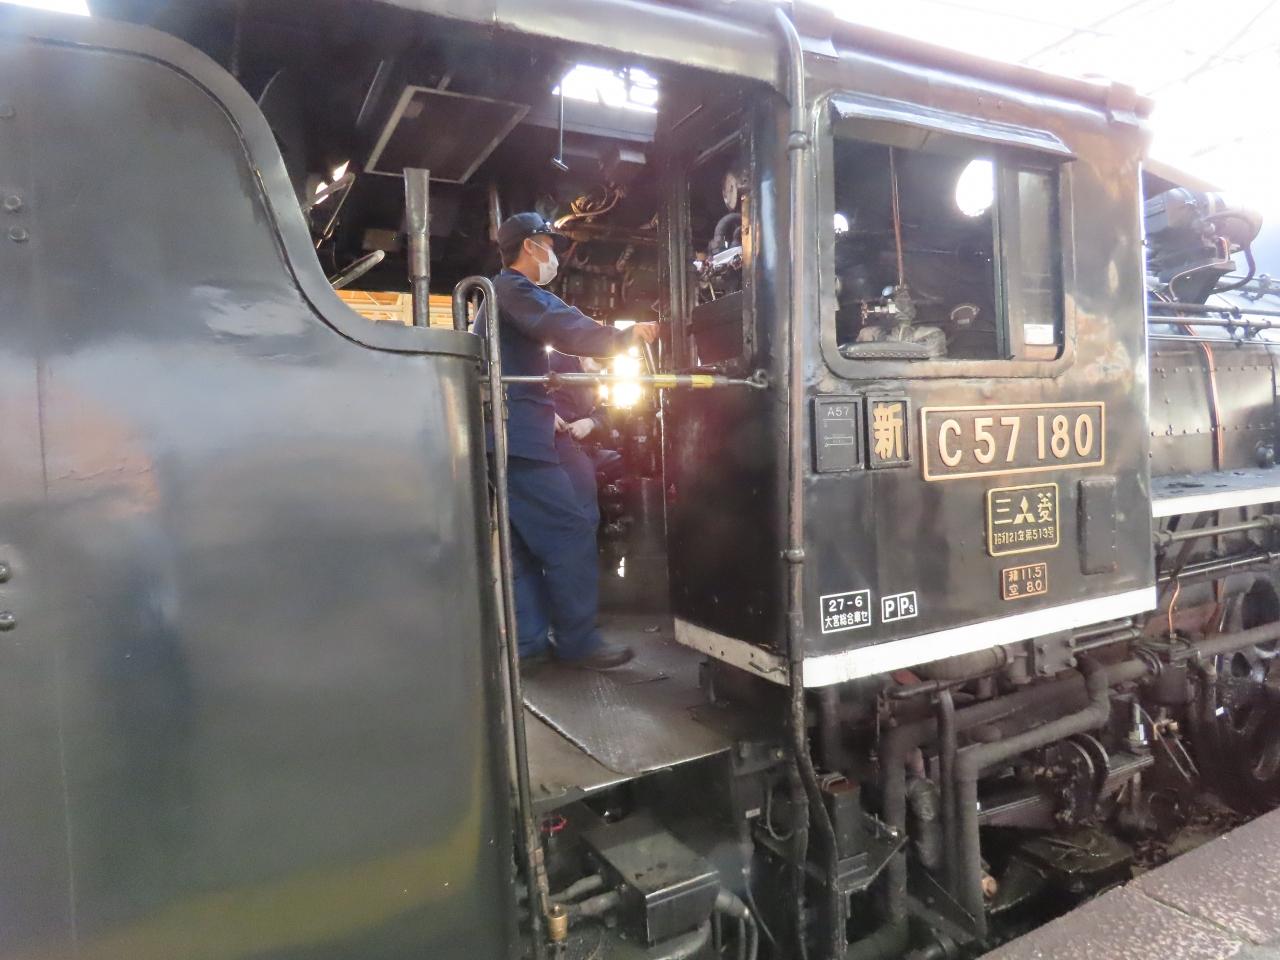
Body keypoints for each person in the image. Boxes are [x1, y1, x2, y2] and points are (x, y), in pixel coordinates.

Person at [477, 213, 658, 670]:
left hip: (511, 432)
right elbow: (561, 324)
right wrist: (622, 336)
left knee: (522, 546)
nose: (554, 254)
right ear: (530, 245)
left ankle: (530, 645)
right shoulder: (512, 289)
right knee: (570, 532)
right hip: (520, 436)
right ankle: (578, 642)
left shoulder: (502, 296)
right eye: (549, 244)